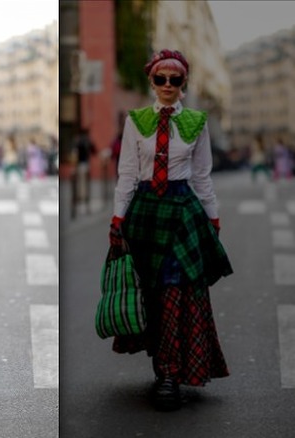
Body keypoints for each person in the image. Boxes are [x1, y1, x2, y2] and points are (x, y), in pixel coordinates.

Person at [108, 49, 233, 411]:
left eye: (174, 79)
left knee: (178, 291)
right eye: (160, 79)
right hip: (145, 211)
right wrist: (117, 220)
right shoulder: (136, 120)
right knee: (154, 293)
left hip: (182, 212)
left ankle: (170, 374)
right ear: (151, 81)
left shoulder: (196, 121)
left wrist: (213, 219)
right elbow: (128, 174)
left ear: (184, 83)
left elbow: (202, 176)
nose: (166, 85)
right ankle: (161, 364)